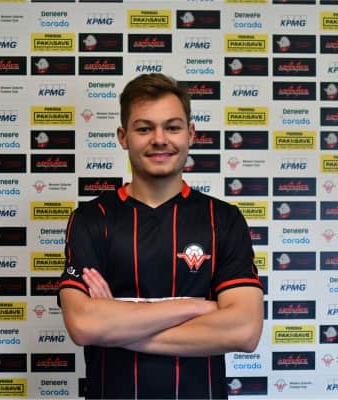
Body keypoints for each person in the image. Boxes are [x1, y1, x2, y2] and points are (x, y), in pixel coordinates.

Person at [58, 73, 264, 400]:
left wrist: (116, 325)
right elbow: (84, 325)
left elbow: (244, 330)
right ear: (123, 137)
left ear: (190, 134)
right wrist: (195, 306)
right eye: (144, 129)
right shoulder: (91, 219)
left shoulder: (223, 219)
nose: (159, 139)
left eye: (172, 127)